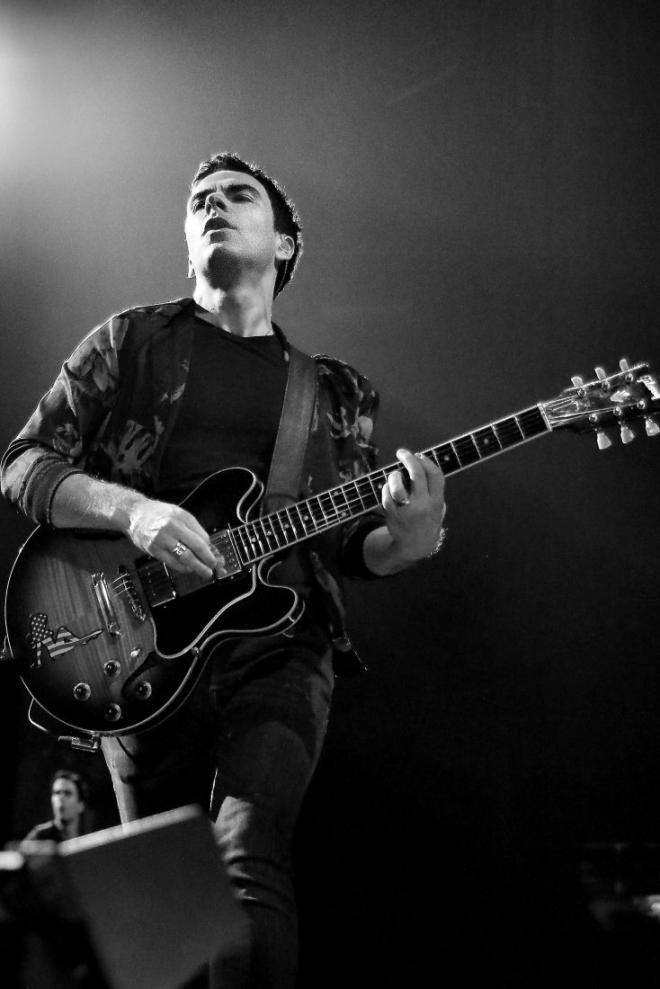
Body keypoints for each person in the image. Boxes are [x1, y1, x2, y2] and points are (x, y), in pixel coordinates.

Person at [1, 152, 446, 988]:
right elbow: (23, 464)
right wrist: (133, 511)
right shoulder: (131, 341)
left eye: (238, 195)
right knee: (167, 907)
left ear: (284, 244)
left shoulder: (334, 393)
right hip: (133, 647)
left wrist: (409, 540)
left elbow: (350, 544)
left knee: (248, 855)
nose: (213, 204)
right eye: (199, 200)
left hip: (280, 648)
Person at [23, 769, 87, 843]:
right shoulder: (39, 837)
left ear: (81, 805)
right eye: (57, 793)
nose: (61, 798)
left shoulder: (89, 839)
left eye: (67, 793)